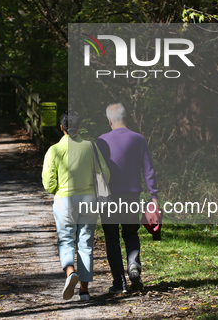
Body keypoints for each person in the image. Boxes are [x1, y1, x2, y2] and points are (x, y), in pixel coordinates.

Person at [42, 111, 110, 301]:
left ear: (61, 128)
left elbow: (48, 183)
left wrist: (58, 189)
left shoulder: (54, 150)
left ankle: (70, 272)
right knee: (85, 242)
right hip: (89, 200)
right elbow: (105, 174)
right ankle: (85, 291)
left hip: (65, 200)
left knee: (65, 239)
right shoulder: (91, 147)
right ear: (79, 127)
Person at [96, 103, 158, 293]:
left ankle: (119, 283)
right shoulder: (139, 139)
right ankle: (133, 264)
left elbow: (97, 172)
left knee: (112, 238)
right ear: (126, 117)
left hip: (109, 198)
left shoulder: (101, 141)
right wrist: (154, 196)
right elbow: (149, 169)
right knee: (131, 233)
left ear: (109, 120)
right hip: (132, 195)